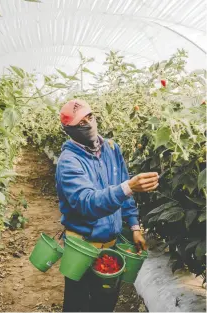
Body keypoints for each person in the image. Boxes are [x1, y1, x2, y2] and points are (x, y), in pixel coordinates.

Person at [56, 99, 159, 312]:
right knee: (77, 305)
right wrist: (127, 187)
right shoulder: (69, 161)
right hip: (81, 247)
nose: (89, 124)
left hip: (111, 245)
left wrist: (134, 227)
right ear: (69, 130)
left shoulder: (111, 148)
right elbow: (87, 203)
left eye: (90, 117)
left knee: (105, 303)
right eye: (80, 123)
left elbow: (125, 193)